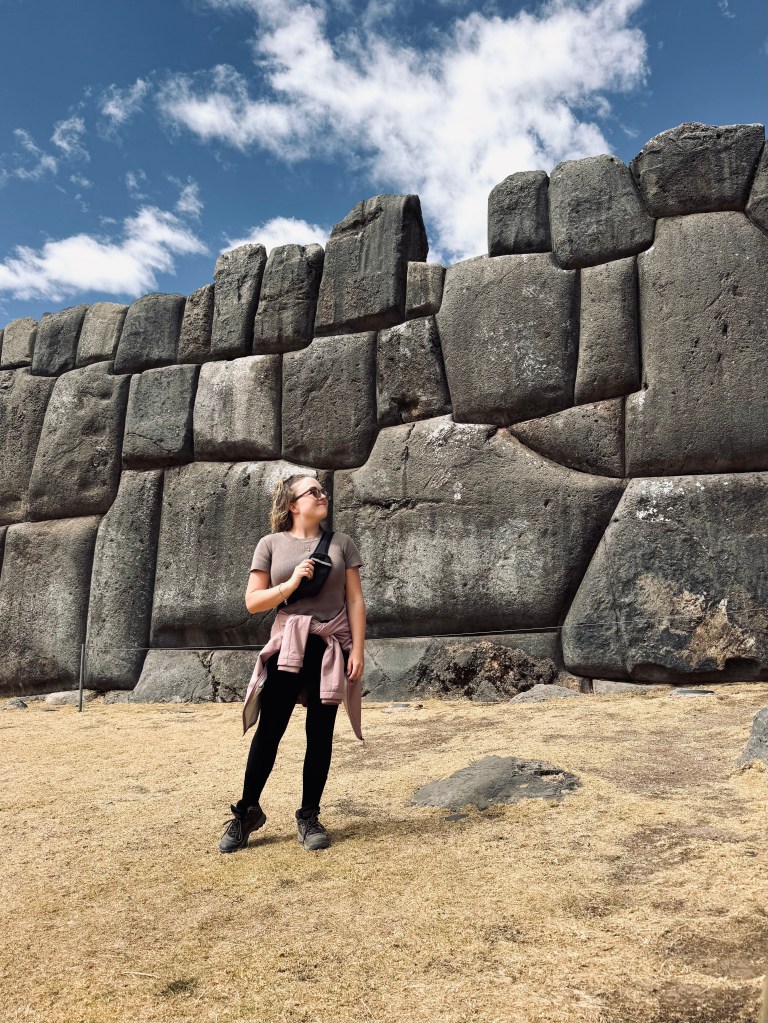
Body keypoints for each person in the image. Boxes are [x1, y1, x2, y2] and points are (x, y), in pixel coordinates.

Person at [219, 473, 366, 854]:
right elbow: (253, 602)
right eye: (313, 491)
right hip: (288, 645)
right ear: (292, 504)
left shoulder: (342, 545)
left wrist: (359, 650)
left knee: (320, 733)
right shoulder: (270, 545)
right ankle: (247, 812)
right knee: (270, 730)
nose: (323, 495)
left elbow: (354, 601)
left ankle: (309, 815)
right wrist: (291, 584)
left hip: (329, 646)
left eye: (323, 490)